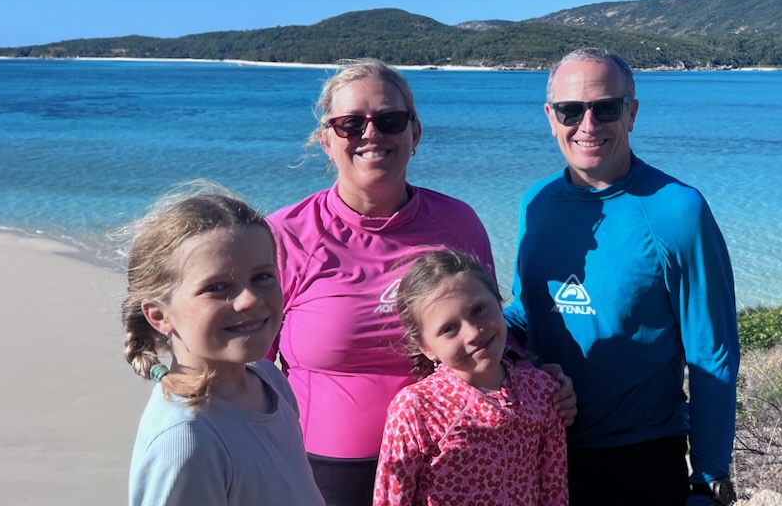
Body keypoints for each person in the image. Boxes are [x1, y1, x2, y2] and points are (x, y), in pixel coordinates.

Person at [268, 58, 573, 505]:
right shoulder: (285, 236)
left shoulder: (457, 222)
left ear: (415, 133)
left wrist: (536, 380)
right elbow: (246, 366)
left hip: (455, 464)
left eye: (390, 120)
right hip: (322, 471)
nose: (372, 134)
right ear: (326, 141)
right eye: (351, 124)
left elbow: (486, 327)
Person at [505, 47, 741, 506]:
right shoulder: (536, 203)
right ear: (551, 117)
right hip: (538, 447)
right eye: (571, 110)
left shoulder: (678, 210)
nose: (588, 125)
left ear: (631, 113)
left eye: (605, 108)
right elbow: (524, 311)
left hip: (640, 458)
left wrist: (708, 477)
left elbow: (712, 353)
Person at [121, 184, 323, 506]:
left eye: (262, 277)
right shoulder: (188, 439)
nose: (250, 300)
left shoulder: (269, 381)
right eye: (217, 287)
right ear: (159, 315)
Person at [373, 249, 568, 506]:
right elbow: (391, 499)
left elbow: (554, 489)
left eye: (479, 309)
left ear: (499, 303)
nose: (473, 332)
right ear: (425, 347)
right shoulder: (418, 408)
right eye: (449, 328)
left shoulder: (541, 391)